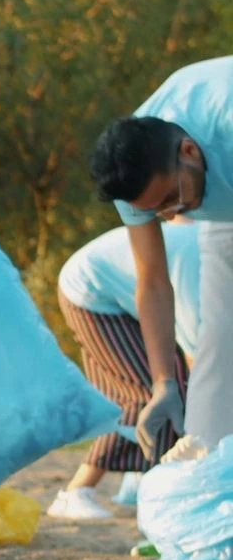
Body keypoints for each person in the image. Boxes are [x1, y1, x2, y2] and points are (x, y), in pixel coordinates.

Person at [90, 56, 233, 461]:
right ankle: (206, 486)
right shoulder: (135, 177)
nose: (170, 217)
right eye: (155, 211)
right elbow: (152, 280)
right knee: (220, 336)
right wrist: (163, 382)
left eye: (172, 200)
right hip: (224, 214)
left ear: (190, 150)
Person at [47, 220, 199, 520]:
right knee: (151, 395)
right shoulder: (202, 273)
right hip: (90, 292)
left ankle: (141, 480)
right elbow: (200, 364)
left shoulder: (212, 252)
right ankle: (75, 493)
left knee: (169, 389)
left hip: (122, 292)